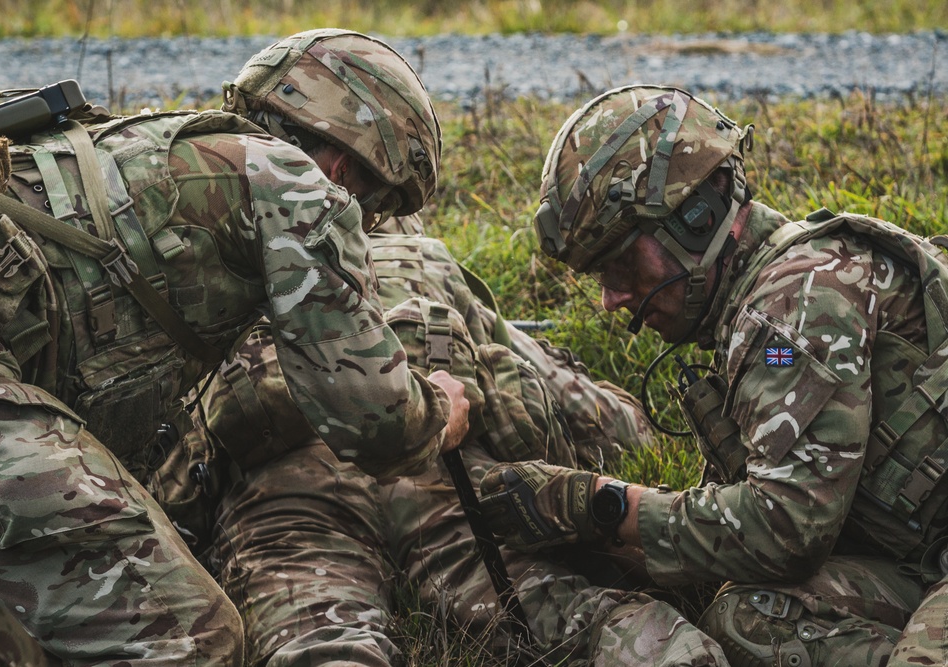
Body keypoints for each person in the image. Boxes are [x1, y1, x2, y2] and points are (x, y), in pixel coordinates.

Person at [194, 40, 728, 667]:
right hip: (445, 486)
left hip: (288, 496)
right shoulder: (427, 264)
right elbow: (597, 419)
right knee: (596, 622)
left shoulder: (207, 265)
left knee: (319, 641)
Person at [0, 27, 468, 665]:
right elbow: (371, 417)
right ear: (349, 165)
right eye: (376, 208)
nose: (368, 223)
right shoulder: (294, 182)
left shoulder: (159, 153)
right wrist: (437, 412)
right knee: (188, 637)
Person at [476, 83, 948, 666]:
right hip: (922, 551)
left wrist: (600, 505)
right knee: (749, 620)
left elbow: (786, 530)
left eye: (619, 262)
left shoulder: (793, 307)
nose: (610, 299)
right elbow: (734, 526)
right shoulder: (757, 308)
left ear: (696, 219)